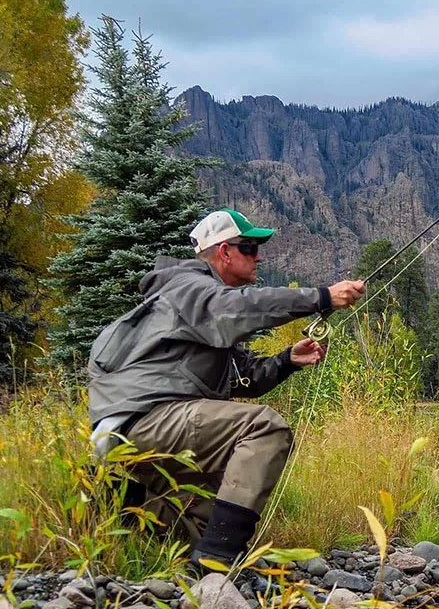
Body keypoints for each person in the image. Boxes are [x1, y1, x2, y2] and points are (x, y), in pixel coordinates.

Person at [86, 208, 366, 569]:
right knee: (265, 428)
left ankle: (129, 504)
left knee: (209, 514)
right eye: (249, 247)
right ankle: (217, 562)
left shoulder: (194, 305)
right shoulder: (190, 288)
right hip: (145, 419)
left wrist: (286, 361)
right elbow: (241, 307)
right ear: (224, 252)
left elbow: (240, 378)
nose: (258, 256)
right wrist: (322, 297)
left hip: (127, 433)